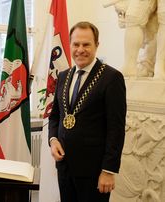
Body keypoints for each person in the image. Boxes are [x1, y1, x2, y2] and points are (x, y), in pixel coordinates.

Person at [48, 21, 127, 202]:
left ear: (96, 45)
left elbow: (116, 128)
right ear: (70, 45)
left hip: (94, 171)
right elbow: (55, 117)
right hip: (65, 168)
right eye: (76, 44)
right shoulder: (63, 76)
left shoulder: (112, 78)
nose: (80, 49)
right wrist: (53, 140)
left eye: (86, 44)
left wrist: (108, 171)